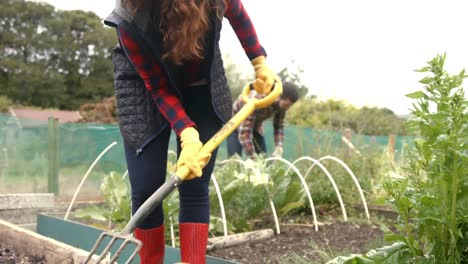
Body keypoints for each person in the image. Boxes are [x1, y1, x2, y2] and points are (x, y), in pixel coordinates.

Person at [103, 0, 278, 263]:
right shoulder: (129, 15)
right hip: (144, 88)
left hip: (201, 84)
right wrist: (187, 133)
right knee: (147, 189)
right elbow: (158, 87)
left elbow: (239, 15)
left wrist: (259, 61)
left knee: (196, 183)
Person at [227, 82, 299, 159]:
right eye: (286, 105)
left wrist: (279, 146)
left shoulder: (282, 107)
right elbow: (245, 134)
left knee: (263, 158)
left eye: (289, 106)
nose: (287, 108)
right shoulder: (257, 100)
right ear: (278, 97)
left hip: (255, 126)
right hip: (234, 124)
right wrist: (253, 157)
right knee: (234, 160)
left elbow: (278, 126)